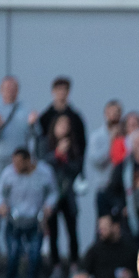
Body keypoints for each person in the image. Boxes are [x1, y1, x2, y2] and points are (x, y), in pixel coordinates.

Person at [1, 147, 57, 278]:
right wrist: (2, 205)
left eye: (19, 163)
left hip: (34, 219)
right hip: (14, 219)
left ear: (28, 160)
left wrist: (48, 206)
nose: (16, 167)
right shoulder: (8, 173)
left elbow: (53, 192)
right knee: (13, 253)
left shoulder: (44, 173)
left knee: (34, 255)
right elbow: (1, 193)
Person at [38, 113, 82, 268]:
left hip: (68, 194)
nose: (64, 128)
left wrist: (66, 158)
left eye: (66, 125)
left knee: (72, 230)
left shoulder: (74, 145)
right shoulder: (45, 143)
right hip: (51, 194)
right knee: (53, 231)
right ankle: (55, 264)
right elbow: (42, 165)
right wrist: (57, 154)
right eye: (61, 124)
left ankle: (74, 263)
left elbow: (77, 168)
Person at [82, 214, 138, 278]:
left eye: (105, 228)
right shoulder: (95, 250)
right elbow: (84, 272)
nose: (101, 232)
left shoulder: (130, 248)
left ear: (116, 227)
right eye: (100, 228)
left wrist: (131, 276)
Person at [34, 76, 86, 164]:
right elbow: (39, 142)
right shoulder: (45, 117)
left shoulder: (75, 117)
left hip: (71, 163)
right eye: (59, 89)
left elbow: (81, 142)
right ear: (53, 91)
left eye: (64, 89)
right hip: (49, 163)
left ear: (69, 92)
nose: (62, 92)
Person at [89, 99, 123, 214]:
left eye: (117, 112)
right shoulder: (96, 136)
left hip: (122, 188)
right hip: (104, 186)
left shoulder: (125, 137)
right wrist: (111, 142)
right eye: (111, 112)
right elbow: (96, 161)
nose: (114, 116)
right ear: (105, 114)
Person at [0, 76, 34, 162]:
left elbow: (34, 135)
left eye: (13, 88)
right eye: (7, 88)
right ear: (1, 90)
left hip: (20, 158)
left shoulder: (26, 109)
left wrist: (32, 124)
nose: (10, 91)